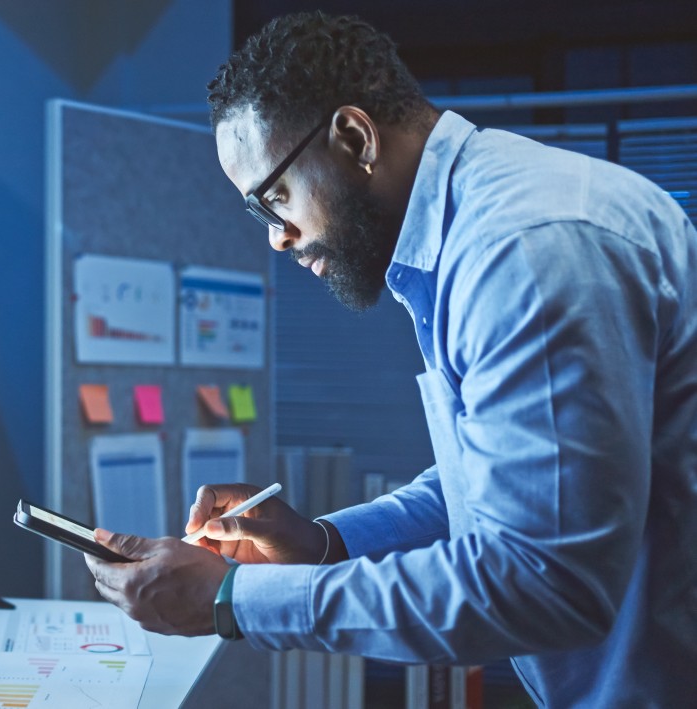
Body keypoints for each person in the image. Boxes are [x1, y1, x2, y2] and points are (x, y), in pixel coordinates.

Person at [83, 11, 696, 707]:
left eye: (273, 198)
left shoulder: (522, 250)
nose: (278, 239)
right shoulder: (467, 237)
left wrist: (237, 599)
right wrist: (321, 543)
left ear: (353, 136)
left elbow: (545, 582)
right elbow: (489, 481)